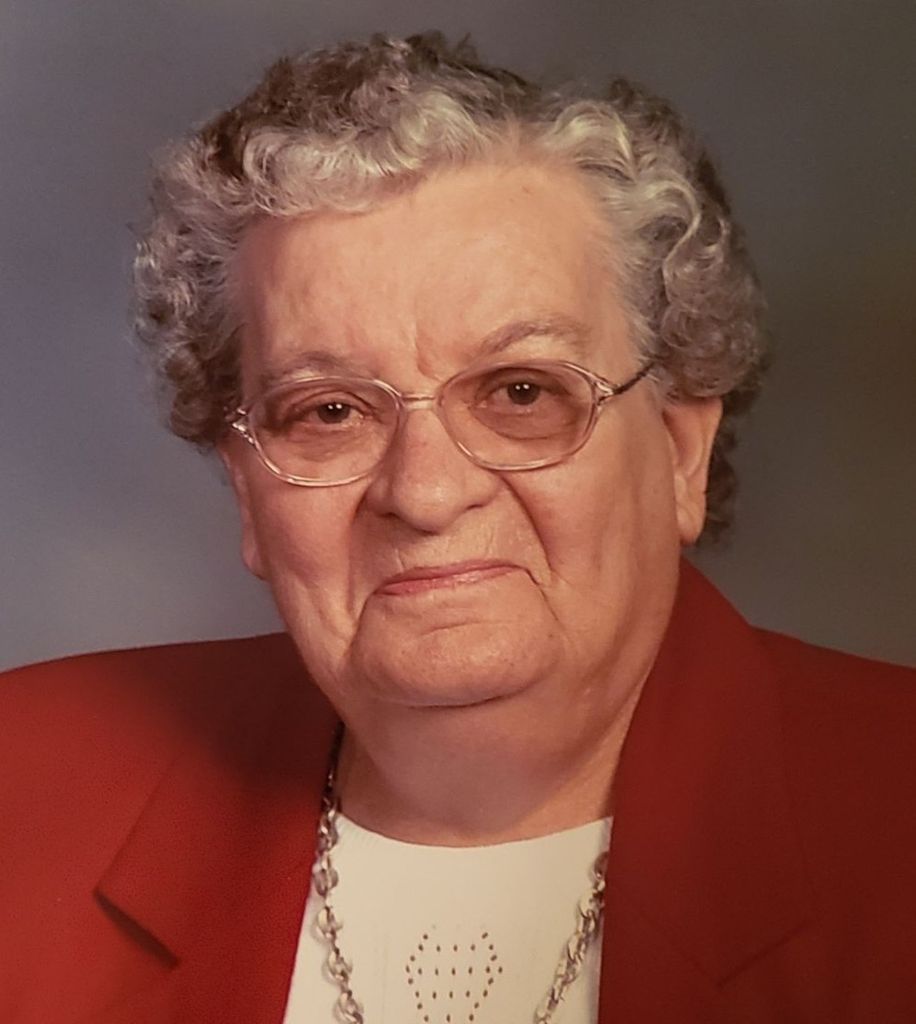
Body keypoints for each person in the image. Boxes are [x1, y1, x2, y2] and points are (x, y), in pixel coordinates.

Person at [1, 32, 914, 1024]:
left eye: (521, 392)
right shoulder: (26, 788)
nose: (426, 493)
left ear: (678, 452)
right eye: (329, 410)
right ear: (249, 492)